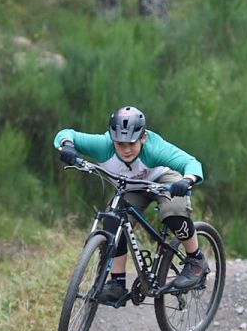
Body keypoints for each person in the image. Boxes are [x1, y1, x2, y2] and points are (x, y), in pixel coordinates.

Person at [55, 106, 209, 303]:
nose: (126, 149)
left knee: (174, 212)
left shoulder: (154, 148)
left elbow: (191, 163)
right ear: (112, 139)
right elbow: (66, 134)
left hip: (163, 180)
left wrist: (187, 180)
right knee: (112, 223)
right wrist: (67, 146)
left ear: (142, 138)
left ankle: (195, 259)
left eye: (131, 143)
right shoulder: (103, 146)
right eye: (120, 144)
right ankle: (117, 283)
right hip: (132, 187)